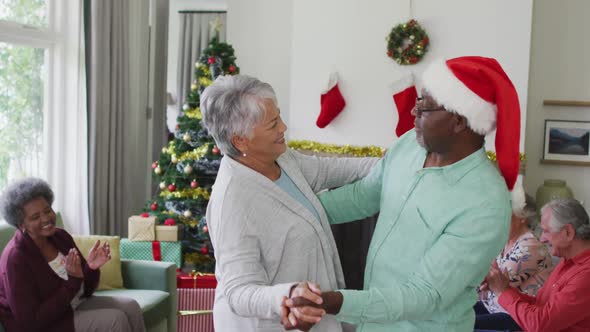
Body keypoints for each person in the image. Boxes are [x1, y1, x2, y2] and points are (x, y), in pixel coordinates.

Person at [282, 56, 525, 331]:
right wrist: (294, 209)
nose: (413, 112)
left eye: (425, 107)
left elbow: (423, 295)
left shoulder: (486, 203)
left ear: (458, 120)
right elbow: (364, 196)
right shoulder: (410, 145)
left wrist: (333, 303)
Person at [199, 74, 378, 331]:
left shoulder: (282, 160)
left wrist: (392, 163)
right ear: (240, 140)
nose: (283, 127)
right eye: (273, 124)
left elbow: (334, 169)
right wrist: (289, 293)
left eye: (279, 117)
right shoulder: (233, 200)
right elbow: (238, 291)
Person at [0, 177, 145, 332]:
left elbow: (85, 290)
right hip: (44, 324)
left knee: (131, 307)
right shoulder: (15, 259)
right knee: (115, 320)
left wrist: (91, 268)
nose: (46, 219)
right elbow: (30, 321)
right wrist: (72, 283)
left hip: (71, 305)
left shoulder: (60, 237)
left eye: (47, 210)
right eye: (35, 217)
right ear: (21, 224)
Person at [485, 198, 590, 331]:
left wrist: (502, 291)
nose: (542, 239)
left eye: (546, 231)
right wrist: (505, 288)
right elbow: (540, 305)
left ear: (568, 232)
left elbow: (540, 325)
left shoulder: (586, 274)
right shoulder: (567, 261)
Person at [475, 194, 554, 331]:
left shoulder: (531, 246)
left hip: (516, 316)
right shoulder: (505, 240)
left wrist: (482, 276)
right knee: (446, 315)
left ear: (522, 216)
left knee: (458, 325)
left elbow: (494, 282)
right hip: (494, 306)